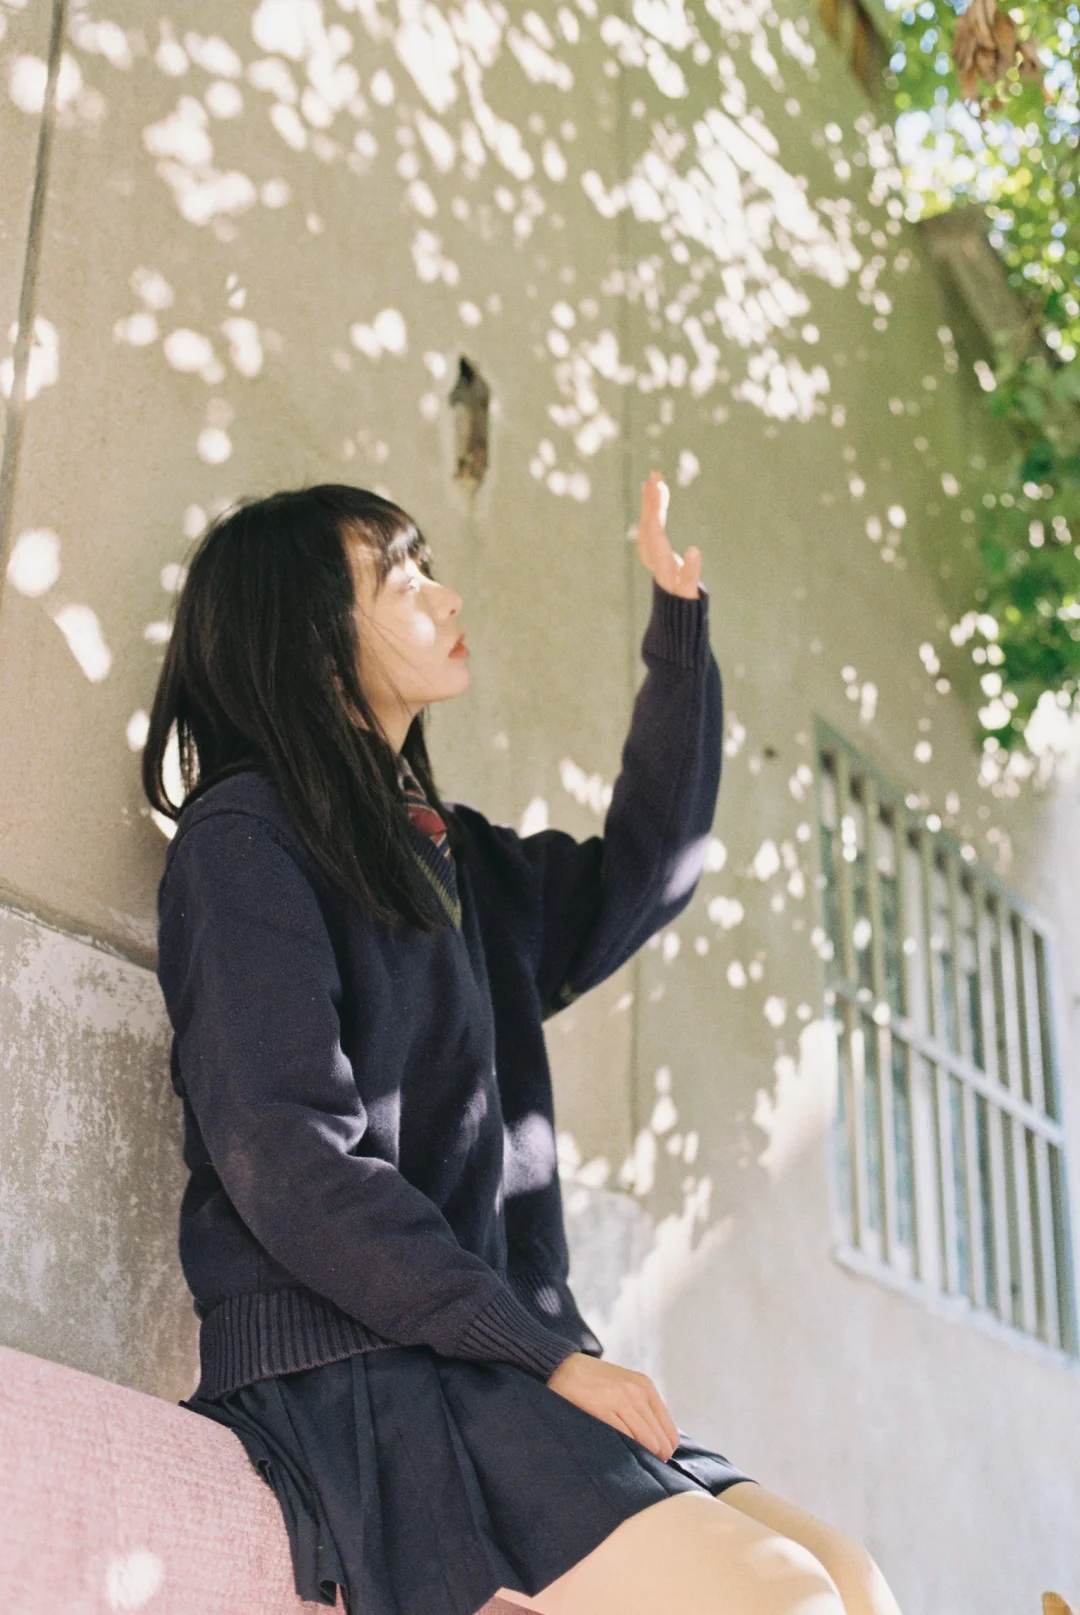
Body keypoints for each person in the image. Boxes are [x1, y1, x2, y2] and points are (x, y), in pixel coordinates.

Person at [144, 472, 903, 1615]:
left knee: (851, 1578)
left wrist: (678, 636)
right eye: (402, 579)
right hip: (349, 1364)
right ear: (310, 635)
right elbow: (284, 1151)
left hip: (490, 1357)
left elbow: (644, 875)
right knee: (778, 1596)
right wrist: (536, 1351)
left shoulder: (455, 861)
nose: (446, 597)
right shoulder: (242, 839)